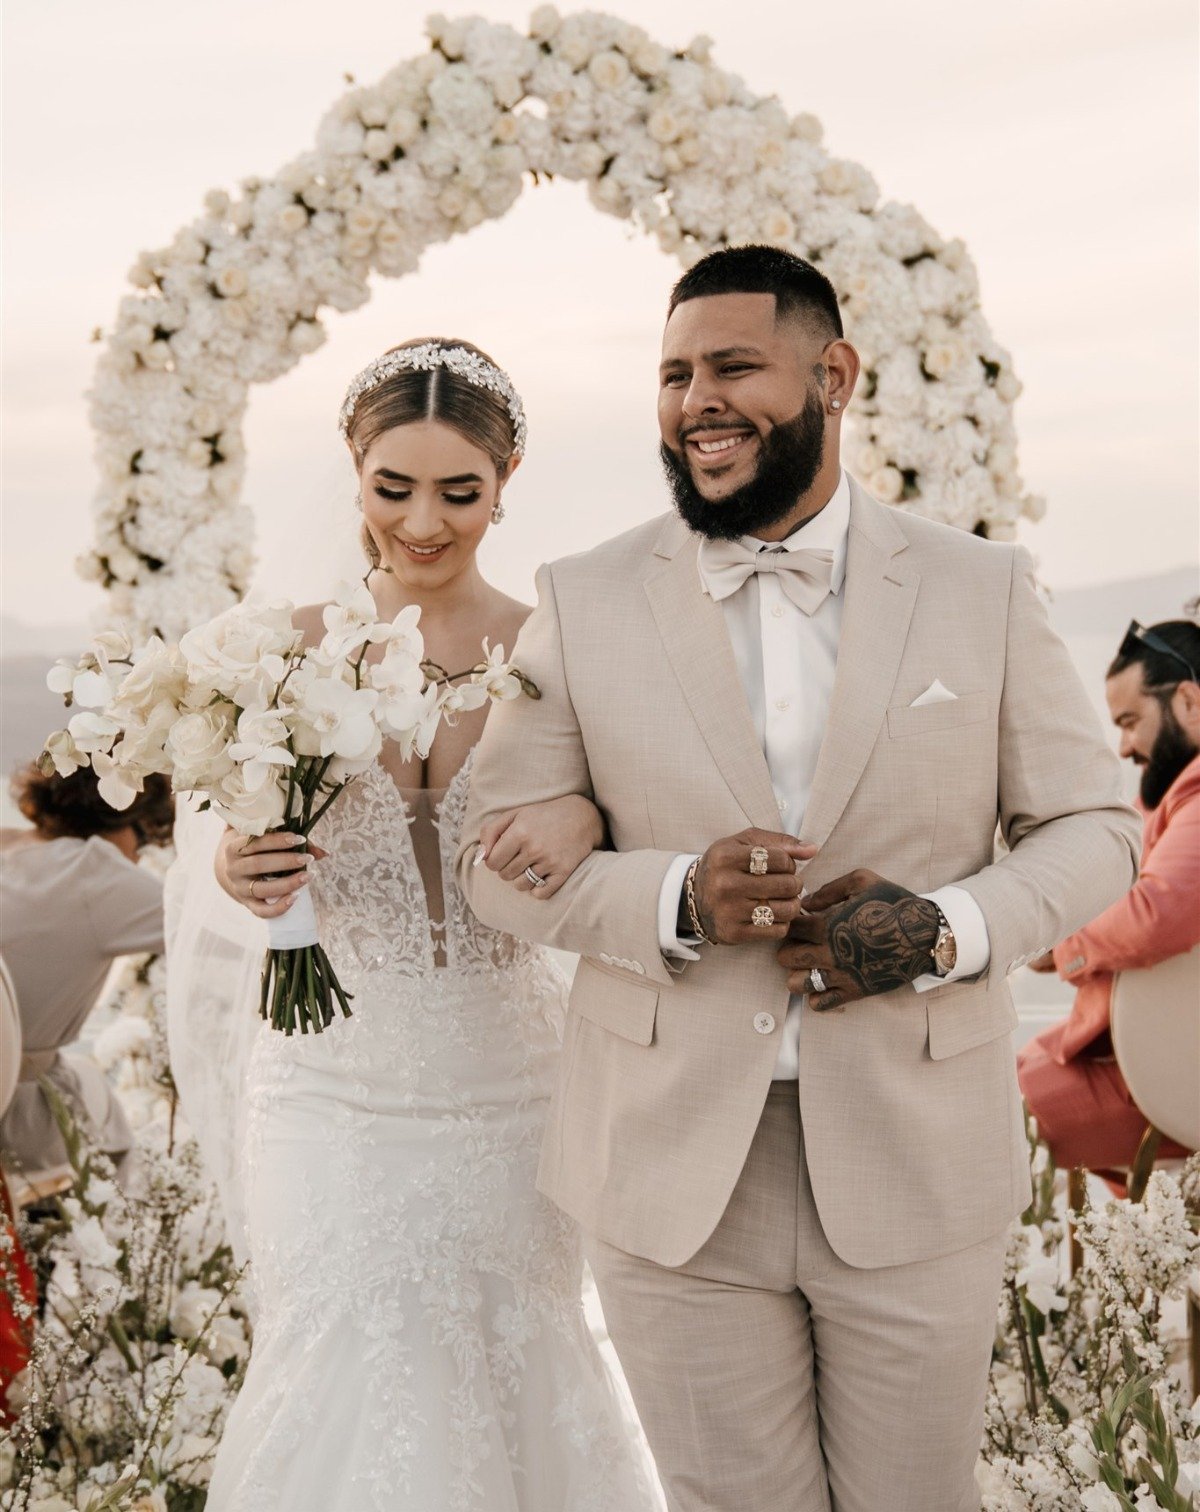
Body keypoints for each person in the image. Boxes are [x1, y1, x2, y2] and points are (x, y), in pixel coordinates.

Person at [458, 245, 1141, 1512]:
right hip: (667, 1169)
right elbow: (495, 867)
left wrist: (945, 929)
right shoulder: (583, 597)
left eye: (731, 366)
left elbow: (1098, 825)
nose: (694, 400)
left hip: (915, 1155)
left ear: (833, 374)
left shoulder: (981, 586)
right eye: (672, 375)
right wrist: (668, 899)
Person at [202, 340, 661, 1512]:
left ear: (507, 483)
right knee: (349, 1361)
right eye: (392, 487)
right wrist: (239, 863)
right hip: (329, 1086)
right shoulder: (278, 654)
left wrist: (580, 815)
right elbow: (232, 848)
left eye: (460, 492)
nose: (423, 521)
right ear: (353, 475)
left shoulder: (560, 650)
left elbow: (633, 833)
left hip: (514, 1085)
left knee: (524, 1358)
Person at [1018, 617, 1200, 1183]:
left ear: (1189, 701)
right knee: (981, 1082)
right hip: (1142, 1062)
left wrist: (1064, 939)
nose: (1123, 746)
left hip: (1166, 1083)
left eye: (1130, 722)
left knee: (977, 1113)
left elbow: (1156, 913)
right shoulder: (1178, 789)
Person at [0, 762, 172, 1180]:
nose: (137, 854)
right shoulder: (95, 873)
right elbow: (209, 926)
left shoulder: (7, 846)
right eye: (144, 837)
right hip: (16, 1116)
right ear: (119, 820)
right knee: (119, 1142)